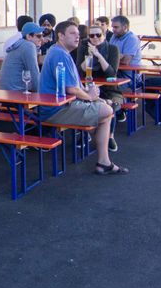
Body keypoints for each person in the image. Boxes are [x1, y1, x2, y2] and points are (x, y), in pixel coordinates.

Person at [38, 21, 127, 174]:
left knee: (106, 111)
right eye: (72, 33)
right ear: (60, 36)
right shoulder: (60, 54)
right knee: (107, 110)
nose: (77, 37)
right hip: (55, 109)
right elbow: (71, 88)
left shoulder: (59, 51)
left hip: (59, 104)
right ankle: (103, 159)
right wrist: (90, 97)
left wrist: (88, 92)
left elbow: (75, 84)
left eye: (78, 34)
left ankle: (104, 161)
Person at [76, 26, 123, 151]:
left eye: (98, 35)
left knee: (111, 104)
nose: (95, 38)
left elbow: (111, 74)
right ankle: (84, 133)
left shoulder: (112, 49)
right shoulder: (83, 48)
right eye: (91, 36)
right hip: (88, 87)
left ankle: (110, 136)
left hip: (109, 89)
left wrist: (98, 55)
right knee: (83, 102)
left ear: (104, 35)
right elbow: (79, 72)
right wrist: (89, 57)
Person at [0, 21, 42, 91]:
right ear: (28, 36)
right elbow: (34, 73)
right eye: (39, 36)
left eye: (42, 36)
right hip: (16, 92)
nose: (41, 39)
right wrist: (41, 93)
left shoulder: (20, 44)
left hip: (5, 90)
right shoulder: (29, 46)